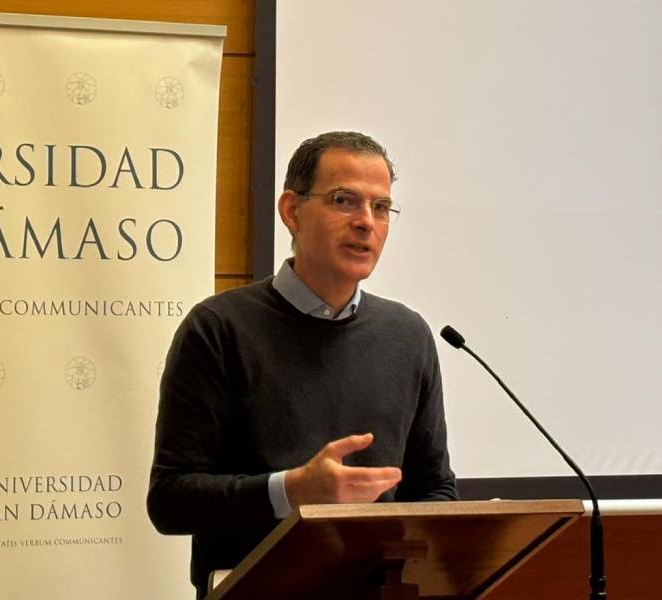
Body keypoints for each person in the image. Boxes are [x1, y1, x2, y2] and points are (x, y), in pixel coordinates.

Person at [147, 131, 458, 596]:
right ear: (292, 211)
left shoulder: (408, 335)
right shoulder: (218, 328)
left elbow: (434, 488)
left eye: (380, 207)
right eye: (344, 200)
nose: (366, 222)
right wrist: (290, 492)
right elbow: (171, 501)